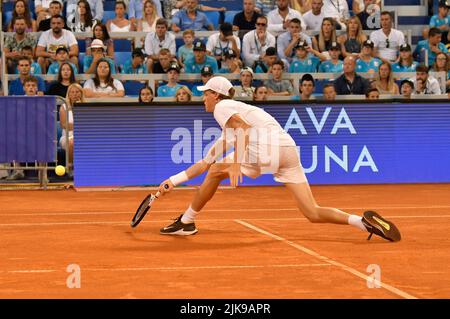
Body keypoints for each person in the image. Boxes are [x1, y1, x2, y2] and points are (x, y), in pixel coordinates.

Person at [156, 75, 401, 244]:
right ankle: (362, 223)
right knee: (312, 212)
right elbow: (205, 161)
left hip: (267, 149)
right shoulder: (231, 120)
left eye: (205, 94)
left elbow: (242, 130)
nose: (203, 98)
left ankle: (187, 222)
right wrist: (173, 181)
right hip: (288, 150)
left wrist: (235, 164)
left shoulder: (223, 107)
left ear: (216, 95)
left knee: (218, 171)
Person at [59, 83, 84, 170]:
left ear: (81, 93)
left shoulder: (86, 106)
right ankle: (71, 166)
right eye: (72, 92)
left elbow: (88, 124)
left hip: (83, 136)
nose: (75, 94)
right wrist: (80, 126)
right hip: (67, 136)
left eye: (77, 92)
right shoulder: (63, 107)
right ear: (68, 94)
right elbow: (63, 125)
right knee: (72, 142)